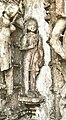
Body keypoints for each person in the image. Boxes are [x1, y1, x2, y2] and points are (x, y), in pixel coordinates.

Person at [21, 18, 44, 97]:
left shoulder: (38, 37)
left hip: (35, 55)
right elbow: (22, 48)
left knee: (34, 72)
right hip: (27, 55)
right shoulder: (25, 36)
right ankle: (26, 90)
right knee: (26, 71)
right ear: (27, 27)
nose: (32, 27)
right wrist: (29, 47)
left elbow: (40, 48)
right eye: (30, 25)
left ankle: (33, 89)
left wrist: (41, 57)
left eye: (34, 25)